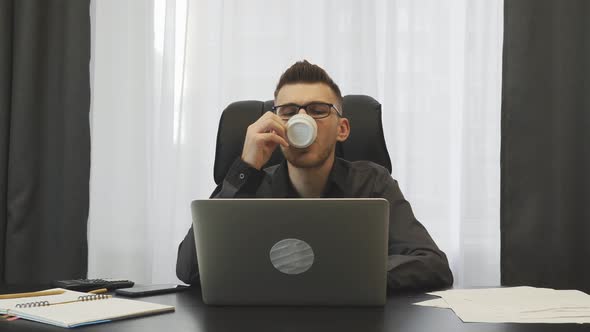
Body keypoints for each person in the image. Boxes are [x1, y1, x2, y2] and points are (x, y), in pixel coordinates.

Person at [176, 60, 453, 290]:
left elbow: (433, 265)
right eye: (288, 112)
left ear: (342, 129)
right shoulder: (251, 186)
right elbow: (189, 270)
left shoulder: (372, 183)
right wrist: (245, 167)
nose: (302, 121)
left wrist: (341, 275)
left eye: (318, 111)